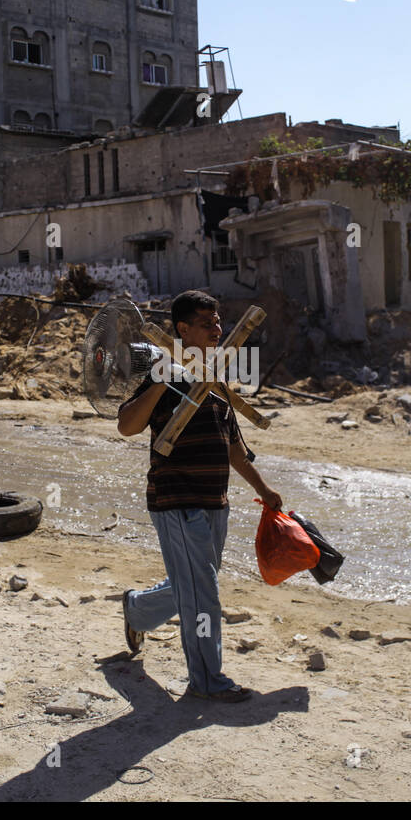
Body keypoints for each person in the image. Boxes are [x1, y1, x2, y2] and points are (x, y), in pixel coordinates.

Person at [116, 290, 281, 703]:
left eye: (219, 321)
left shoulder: (218, 380)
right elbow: (127, 425)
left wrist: (263, 488)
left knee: (194, 584)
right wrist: (162, 379)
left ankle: (137, 609)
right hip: (176, 500)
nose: (217, 328)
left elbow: (232, 448)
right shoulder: (163, 374)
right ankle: (208, 680)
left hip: (215, 501)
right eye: (206, 323)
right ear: (182, 329)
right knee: (202, 591)